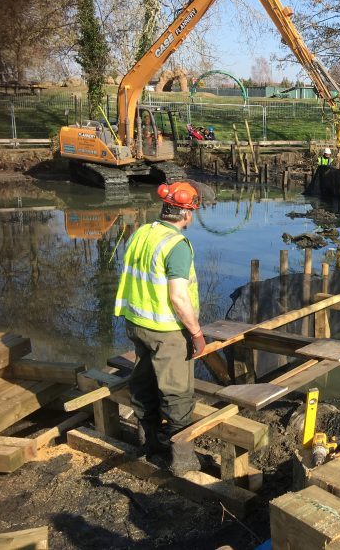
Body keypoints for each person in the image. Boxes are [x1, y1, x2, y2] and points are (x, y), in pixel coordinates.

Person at [114, 181, 206, 475]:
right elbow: (178, 296)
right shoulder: (177, 246)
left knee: (144, 380)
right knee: (177, 391)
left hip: (136, 323)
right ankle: (184, 460)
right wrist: (196, 333)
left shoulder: (142, 232)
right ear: (187, 214)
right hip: (166, 331)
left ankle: (149, 441)